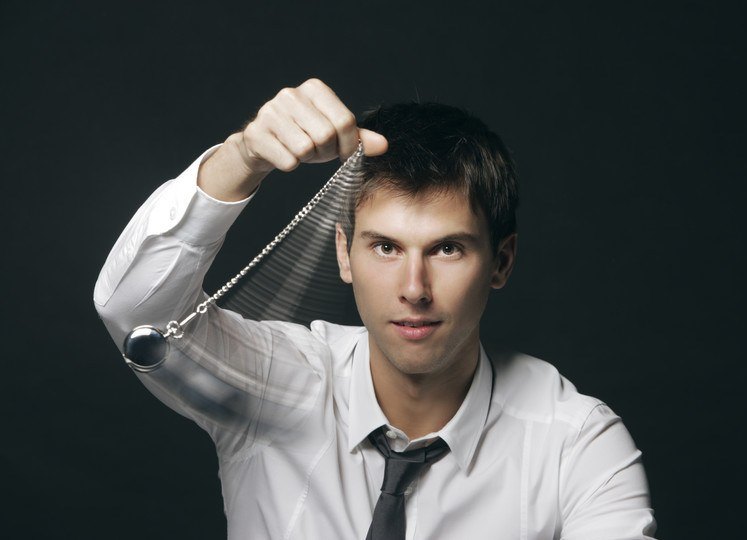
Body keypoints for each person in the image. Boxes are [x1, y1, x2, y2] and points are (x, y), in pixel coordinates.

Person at [95, 78, 656, 539]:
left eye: (448, 248)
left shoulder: (573, 442)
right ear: (344, 252)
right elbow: (135, 314)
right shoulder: (279, 384)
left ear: (501, 262)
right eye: (385, 247)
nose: (414, 288)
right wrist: (242, 157)